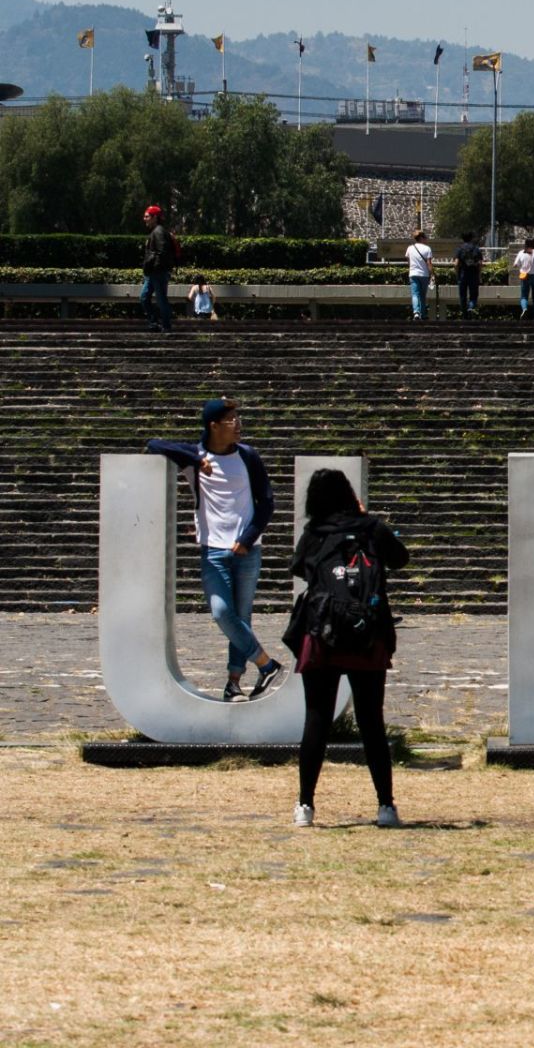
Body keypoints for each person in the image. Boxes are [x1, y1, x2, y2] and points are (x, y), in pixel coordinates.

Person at [284, 468, 409, 830]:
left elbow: (299, 569)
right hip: (367, 636)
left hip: (322, 634)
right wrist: (364, 517)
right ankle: (386, 806)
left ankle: (305, 805)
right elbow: (400, 559)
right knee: (372, 720)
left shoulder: (314, 533)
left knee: (317, 718)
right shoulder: (372, 529)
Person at [145, 398, 284, 701]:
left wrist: (247, 538)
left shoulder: (248, 456)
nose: (238, 424)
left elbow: (267, 503)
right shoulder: (194, 459)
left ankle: (233, 683)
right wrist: (196, 460)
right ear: (214, 425)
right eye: (231, 419)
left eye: (237, 418)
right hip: (212, 551)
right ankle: (266, 664)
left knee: (241, 619)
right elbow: (153, 444)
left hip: (247, 551)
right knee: (222, 612)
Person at [140, 205, 174, 332]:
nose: (145, 219)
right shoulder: (155, 231)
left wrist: (154, 267)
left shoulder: (159, 231)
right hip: (152, 273)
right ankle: (154, 323)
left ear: (155, 218)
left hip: (157, 272)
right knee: (144, 297)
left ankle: (166, 326)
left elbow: (162, 252)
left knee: (161, 300)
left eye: (147, 216)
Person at [404, 232, 433, 321]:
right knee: (422, 295)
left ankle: (416, 313)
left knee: (415, 294)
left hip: (413, 274)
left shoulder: (410, 248)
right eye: (425, 237)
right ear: (421, 238)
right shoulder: (427, 248)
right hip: (424, 275)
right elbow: (429, 263)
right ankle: (423, 314)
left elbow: (409, 261)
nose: (426, 239)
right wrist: (431, 274)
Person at [454, 231, 484, 317]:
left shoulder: (459, 249)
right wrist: (479, 275)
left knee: (462, 295)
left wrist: (457, 274)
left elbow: (456, 264)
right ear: (471, 238)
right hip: (473, 275)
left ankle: (464, 315)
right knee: (474, 294)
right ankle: (471, 307)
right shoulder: (476, 249)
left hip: (462, 274)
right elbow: (480, 263)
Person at [515, 238, 534, 319]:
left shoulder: (521, 252)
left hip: (524, 276)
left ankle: (524, 308)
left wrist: (522, 265)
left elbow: (515, 264)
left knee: (524, 296)